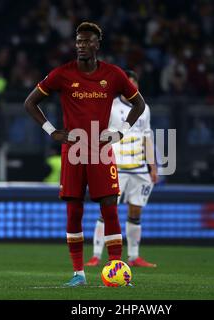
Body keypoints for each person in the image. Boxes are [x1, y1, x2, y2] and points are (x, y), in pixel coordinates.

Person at [24, 22, 146, 287]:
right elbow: (30, 102)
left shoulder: (113, 74)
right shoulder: (61, 74)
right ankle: (78, 274)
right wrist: (52, 131)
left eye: (86, 41)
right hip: (74, 151)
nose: (81, 45)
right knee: (73, 211)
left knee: (110, 209)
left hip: (101, 151)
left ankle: (117, 271)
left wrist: (121, 132)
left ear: (97, 44)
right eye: (78, 41)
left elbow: (139, 103)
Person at [85, 70, 158, 268]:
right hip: (115, 167)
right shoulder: (110, 106)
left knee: (135, 212)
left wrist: (153, 165)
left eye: (135, 83)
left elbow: (147, 137)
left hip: (139, 168)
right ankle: (96, 255)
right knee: (107, 212)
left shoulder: (145, 108)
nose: (132, 87)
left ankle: (133, 257)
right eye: (128, 84)